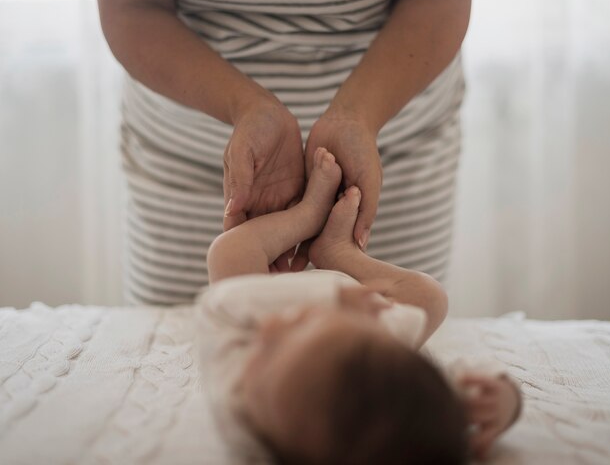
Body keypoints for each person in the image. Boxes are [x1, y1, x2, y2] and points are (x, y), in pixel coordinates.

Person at [86, 0, 480, 305]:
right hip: (193, 150)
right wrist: (338, 253)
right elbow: (427, 300)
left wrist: (306, 214)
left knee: (181, 331)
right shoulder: (384, 366)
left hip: (389, 143)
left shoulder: (241, 357)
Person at [197, 147, 523, 465]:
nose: (272, 328)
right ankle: (339, 253)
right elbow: (449, 394)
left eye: (268, 351)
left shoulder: (238, 404)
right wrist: (503, 401)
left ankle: (306, 216)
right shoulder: (389, 400)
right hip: (361, 313)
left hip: (257, 299)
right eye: (299, 325)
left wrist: (331, 301)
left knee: (227, 254)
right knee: (430, 297)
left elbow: (218, 305)